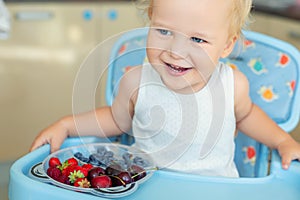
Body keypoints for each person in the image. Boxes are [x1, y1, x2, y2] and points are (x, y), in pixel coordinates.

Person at [30, 0, 300, 177]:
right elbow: (115, 120)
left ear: (227, 45)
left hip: (216, 193)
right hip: (147, 187)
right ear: (150, 20)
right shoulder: (135, 82)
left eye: (197, 39)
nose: (176, 50)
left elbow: (248, 116)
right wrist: (67, 125)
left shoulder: (232, 85)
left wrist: (282, 141)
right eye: (164, 32)